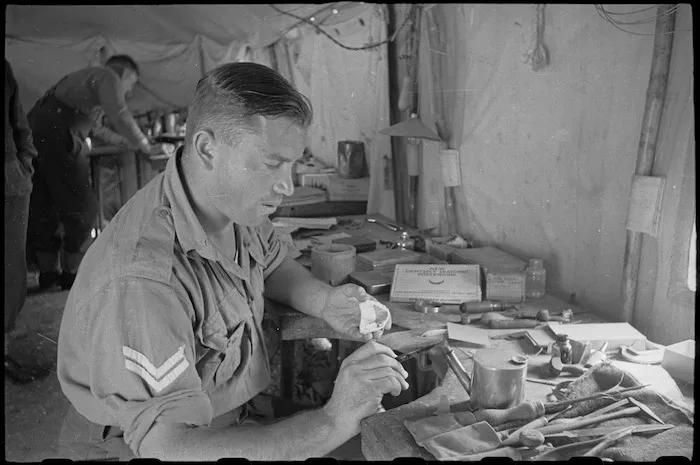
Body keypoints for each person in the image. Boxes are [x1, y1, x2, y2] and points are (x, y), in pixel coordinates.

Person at [56, 62, 409, 461]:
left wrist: (325, 301)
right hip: (144, 447)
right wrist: (333, 419)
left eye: (292, 163)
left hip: (225, 416)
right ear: (207, 148)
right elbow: (168, 447)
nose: (287, 186)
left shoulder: (231, 203)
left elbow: (272, 263)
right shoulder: (143, 279)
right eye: (272, 163)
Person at [26, 54, 163, 292]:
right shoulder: (107, 76)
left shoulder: (83, 82)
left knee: (44, 204)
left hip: (37, 131)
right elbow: (119, 114)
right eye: (132, 82)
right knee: (82, 206)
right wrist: (145, 146)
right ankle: (73, 273)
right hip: (60, 133)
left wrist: (126, 141)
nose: (129, 90)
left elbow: (96, 128)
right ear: (125, 73)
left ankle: (49, 272)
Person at [4, 59, 50, 384]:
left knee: (10, 272)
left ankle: (4, 351)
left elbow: (19, 123)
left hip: (9, 180)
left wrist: (24, 162)